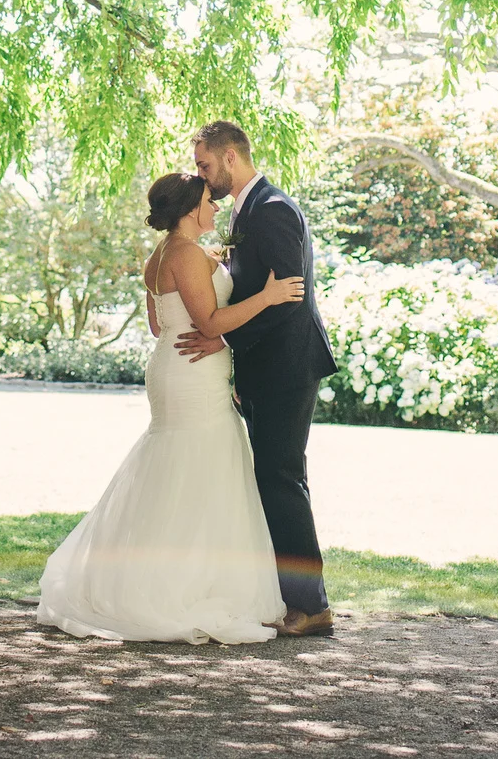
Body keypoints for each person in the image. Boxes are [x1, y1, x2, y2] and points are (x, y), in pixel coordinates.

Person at [35, 170, 305, 643]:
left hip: (172, 365)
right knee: (202, 466)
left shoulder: (162, 255)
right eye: (208, 201)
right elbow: (210, 322)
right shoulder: (186, 254)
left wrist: (211, 279)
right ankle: (189, 588)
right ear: (189, 209)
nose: (215, 206)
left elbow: (161, 327)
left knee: (177, 466)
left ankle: (161, 578)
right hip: (193, 374)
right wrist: (267, 297)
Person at [178, 119, 339, 636]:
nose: (201, 176)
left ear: (230, 157)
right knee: (271, 479)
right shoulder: (248, 210)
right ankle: (285, 597)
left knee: (282, 479)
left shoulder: (272, 209)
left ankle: (311, 606)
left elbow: (288, 298)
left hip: (287, 366)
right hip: (264, 366)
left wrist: (224, 340)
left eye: (204, 165)